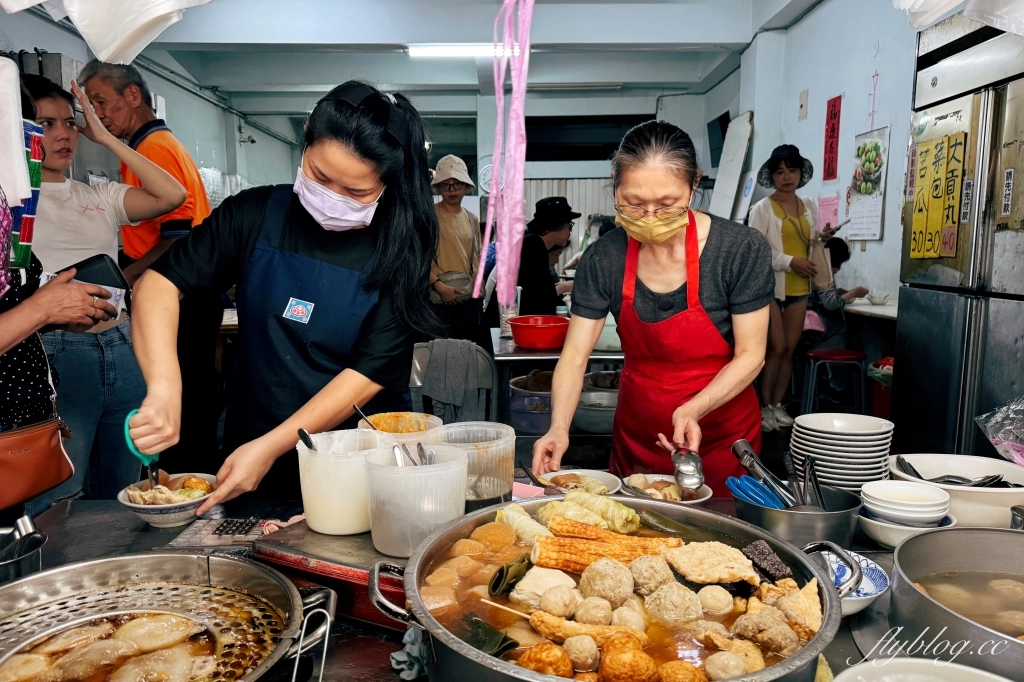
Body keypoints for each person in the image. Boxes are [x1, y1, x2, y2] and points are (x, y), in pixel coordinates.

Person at [128, 81, 437, 513]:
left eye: (356, 193)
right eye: (321, 176)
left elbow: (369, 372)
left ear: (388, 185)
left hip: (360, 462)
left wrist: (274, 445)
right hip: (252, 448)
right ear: (306, 139)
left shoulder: (403, 245)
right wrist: (163, 388)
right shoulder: (254, 214)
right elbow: (159, 285)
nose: (333, 198)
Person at [532, 121, 775, 494]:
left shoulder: (739, 250)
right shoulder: (604, 258)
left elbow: (751, 355)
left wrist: (695, 407)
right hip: (638, 434)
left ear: (694, 185)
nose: (648, 218)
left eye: (666, 205)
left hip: (722, 433)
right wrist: (558, 427)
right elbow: (575, 356)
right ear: (614, 183)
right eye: (632, 203)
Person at [22, 76, 186, 514]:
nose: (62, 134)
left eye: (68, 123)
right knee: (62, 492)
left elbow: (173, 194)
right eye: (45, 123)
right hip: (56, 350)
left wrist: (107, 137)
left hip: (122, 343)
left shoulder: (98, 195)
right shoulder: (17, 203)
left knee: (124, 489)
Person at [79, 60, 222, 473]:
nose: (99, 114)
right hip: (188, 291)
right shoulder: (153, 145)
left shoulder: (153, 149)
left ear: (134, 96)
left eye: (102, 101)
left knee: (181, 406)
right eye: (90, 106)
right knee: (188, 400)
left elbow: (178, 237)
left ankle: (184, 495)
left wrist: (127, 277)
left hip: (179, 295)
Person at [1, 87, 118, 517]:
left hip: (23, 417)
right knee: (52, 516)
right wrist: (44, 309)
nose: (45, 140)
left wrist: (53, 315)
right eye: (36, 128)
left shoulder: (11, 205)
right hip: (9, 428)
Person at [748, 144, 819, 433]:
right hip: (770, 289)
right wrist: (791, 261)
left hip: (800, 286)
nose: (786, 176)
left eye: (792, 170)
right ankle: (763, 408)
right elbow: (755, 250)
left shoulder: (809, 206)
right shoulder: (763, 209)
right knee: (774, 348)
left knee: (789, 350)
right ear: (772, 176)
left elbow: (811, 242)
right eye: (780, 172)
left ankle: (778, 406)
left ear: (801, 174)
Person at [804, 238, 869, 396]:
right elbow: (831, 304)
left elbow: (820, 296)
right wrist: (854, 293)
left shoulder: (810, 265)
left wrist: (838, 292)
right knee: (840, 325)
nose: (839, 269)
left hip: (804, 330)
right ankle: (838, 389)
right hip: (817, 333)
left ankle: (832, 385)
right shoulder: (823, 271)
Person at [428, 155, 481, 340]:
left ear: (466, 186)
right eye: (446, 184)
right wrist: (439, 287)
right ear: (439, 187)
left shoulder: (471, 218)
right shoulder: (429, 217)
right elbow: (417, 259)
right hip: (437, 302)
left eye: (457, 183)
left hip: (468, 302)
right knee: (440, 358)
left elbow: (477, 257)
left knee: (468, 356)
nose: (452, 190)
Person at [519, 197, 577, 315]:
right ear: (555, 225)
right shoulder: (533, 245)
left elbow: (540, 291)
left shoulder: (532, 242)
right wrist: (564, 287)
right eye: (569, 225)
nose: (570, 231)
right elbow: (541, 301)